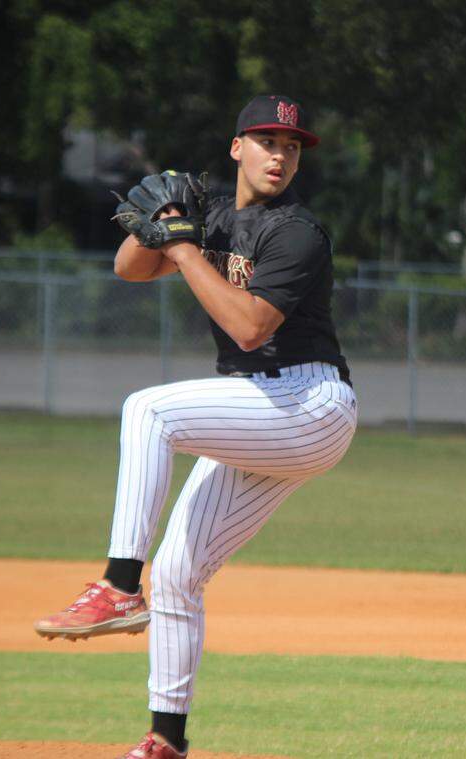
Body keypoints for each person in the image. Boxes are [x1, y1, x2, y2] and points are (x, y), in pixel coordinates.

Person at [33, 95, 357, 759]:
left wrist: (184, 253)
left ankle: (119, 585)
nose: (280, 155)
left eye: (292, 146)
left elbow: (247, 325)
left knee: (147, 410)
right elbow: (129, 268)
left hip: (312, 403)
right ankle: (166, 740)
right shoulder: (208, 213)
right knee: (179, 572)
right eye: (267, 140)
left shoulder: (295, 231)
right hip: (259, 408)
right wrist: (159, 227)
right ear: (237, 147)